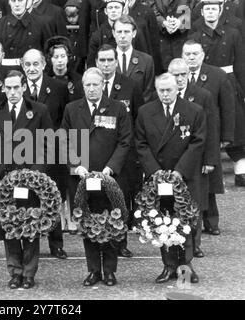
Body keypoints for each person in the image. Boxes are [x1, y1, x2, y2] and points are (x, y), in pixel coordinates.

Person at [61, 67, 132, 286]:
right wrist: (76, 166)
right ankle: (93, 270)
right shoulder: (72, 109)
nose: (91, 89)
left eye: (95, 84)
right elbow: (64, 140)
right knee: (88, 223)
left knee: (111, 223)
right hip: (81, 178)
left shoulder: (118, 108)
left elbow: (124, 141)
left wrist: (111, 168)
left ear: (103, 85)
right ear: (83, 86)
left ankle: (109, 271)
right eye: (87, 85)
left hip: (110, 177)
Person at [0, 70, 54, 289]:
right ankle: (15, 271)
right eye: (9, 88)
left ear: (24, 87)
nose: (13, 92)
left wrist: (34, 174)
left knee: (31, 225)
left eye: (17, 87)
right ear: (3, 88)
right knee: (9, 225)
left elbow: (48, 144)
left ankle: (29, 272)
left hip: (30, 180)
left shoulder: (39, 110)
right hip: (4, 180)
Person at [135, 73, 206, 284]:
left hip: (184, 176)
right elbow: (140, 143)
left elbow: (198, 142)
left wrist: (179, 171)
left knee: (185, 221)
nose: (165, 94)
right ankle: (168, 265)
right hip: (159, 177)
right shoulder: (146, 112)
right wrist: (155, 171)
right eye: (161, 90)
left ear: (178, 88)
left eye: (169, 90)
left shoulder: (194, 111)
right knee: (163, 221)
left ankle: (186, 265)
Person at [188, 0, 245, 190]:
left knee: (233, 122)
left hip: (229, 81)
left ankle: (240, 169)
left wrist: (242, 87)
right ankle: (212, 173)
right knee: (208, 122)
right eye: (207, 9)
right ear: (202, 12)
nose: (211, 12)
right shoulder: (195, 34)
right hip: (206, 81)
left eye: (214, 9)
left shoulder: (233, 33)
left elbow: (240, 64)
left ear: (220, 11)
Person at [95, 44, 144, 258]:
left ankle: (120, 241)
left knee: (121, 199)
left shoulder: (130, 85)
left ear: (116, 61)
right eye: (102, 60)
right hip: (97, 150)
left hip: (123, 153)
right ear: (96, 62)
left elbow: (137, 118)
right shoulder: (90, 84)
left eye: (109, 60)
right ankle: (98, 238)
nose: (106, 64)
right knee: (97, 199)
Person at [181, 39, 234, 235]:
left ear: (203, 55)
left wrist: (227, 136)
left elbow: (228, 107)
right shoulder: (177, 77)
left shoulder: (217, 75)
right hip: (187, 137)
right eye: (187, 54)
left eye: (195, 53)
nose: (191, 57)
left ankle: (212, 221)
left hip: (211, 134)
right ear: (182, 55)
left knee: (210, 181)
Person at [168, 58, 219, 258]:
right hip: (172, 158)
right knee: (173, 202)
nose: (180, 79)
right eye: (175, 75)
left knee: (195, 202)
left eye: (183, 74)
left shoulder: (202, 95)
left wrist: (210, 159)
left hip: (197, 158)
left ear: (189, 74)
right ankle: (176, 241)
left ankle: (195, 243)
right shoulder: (163, 94)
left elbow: (211, 129)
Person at [22, 49, 70, 259]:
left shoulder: (58, 88)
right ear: (23, 67)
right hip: (24, 152)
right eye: (28, 65)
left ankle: (56, 243)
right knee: (28, 198)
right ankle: (30, 240)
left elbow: (64, 120)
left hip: (52, 152)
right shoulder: (17, 88)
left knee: (52, 197)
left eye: (35, 64)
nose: (32, 69)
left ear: (43, 65)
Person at [0, 0, 52, 69]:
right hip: (7, 72)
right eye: (13, 1)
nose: (17, 4)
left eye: (20, 0)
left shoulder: (41, 23)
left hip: (33, 71)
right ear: (9, 2)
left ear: (27, 2)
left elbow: (47, 52)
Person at [113, 15, 155, 103]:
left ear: (134, 33)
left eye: (127, 32)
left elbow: (148, 92)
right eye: (119, 32)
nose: (123, 36)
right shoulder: (106, 59)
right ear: (113, 33)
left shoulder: (146, 61)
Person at [150, 0, 195, 70]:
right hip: (161, 41)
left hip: (184, 40)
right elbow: (149, 8)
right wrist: (163, 22)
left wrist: (181, 21)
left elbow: (197, 8)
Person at [45, 36, 84, 102]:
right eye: (56, 57)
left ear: (68, 57)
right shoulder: (44, 80)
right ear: (50, 59)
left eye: (63, 56)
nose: (60, 60)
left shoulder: (78, 80)